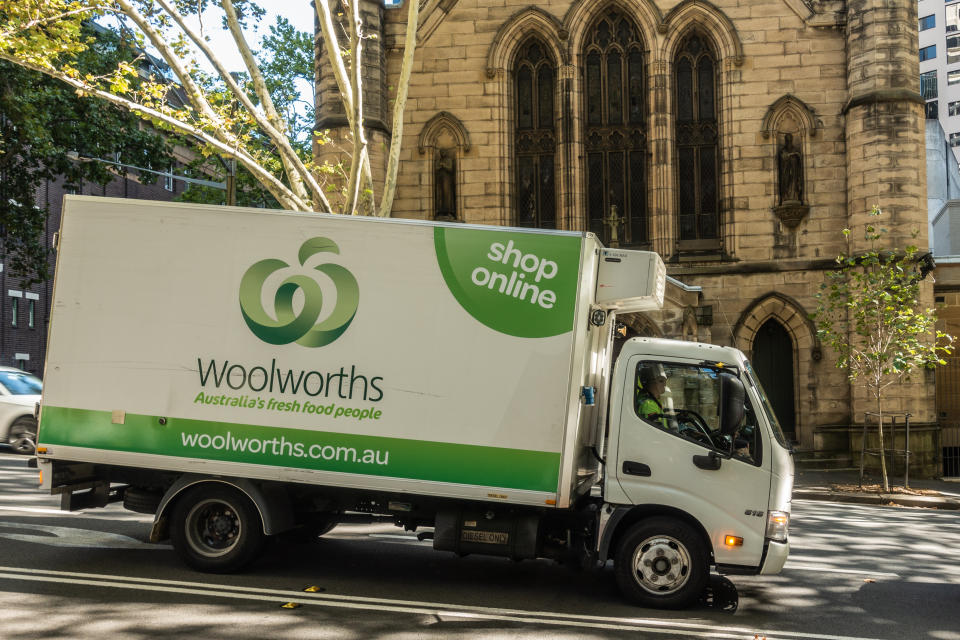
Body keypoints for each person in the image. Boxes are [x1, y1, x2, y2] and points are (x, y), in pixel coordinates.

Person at [635, 363, 669, 429]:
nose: (665, 384)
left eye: (665, 380)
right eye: (661, 381)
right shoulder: (648, 405)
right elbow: (659, 432)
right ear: (650, 382)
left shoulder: (650, 398)